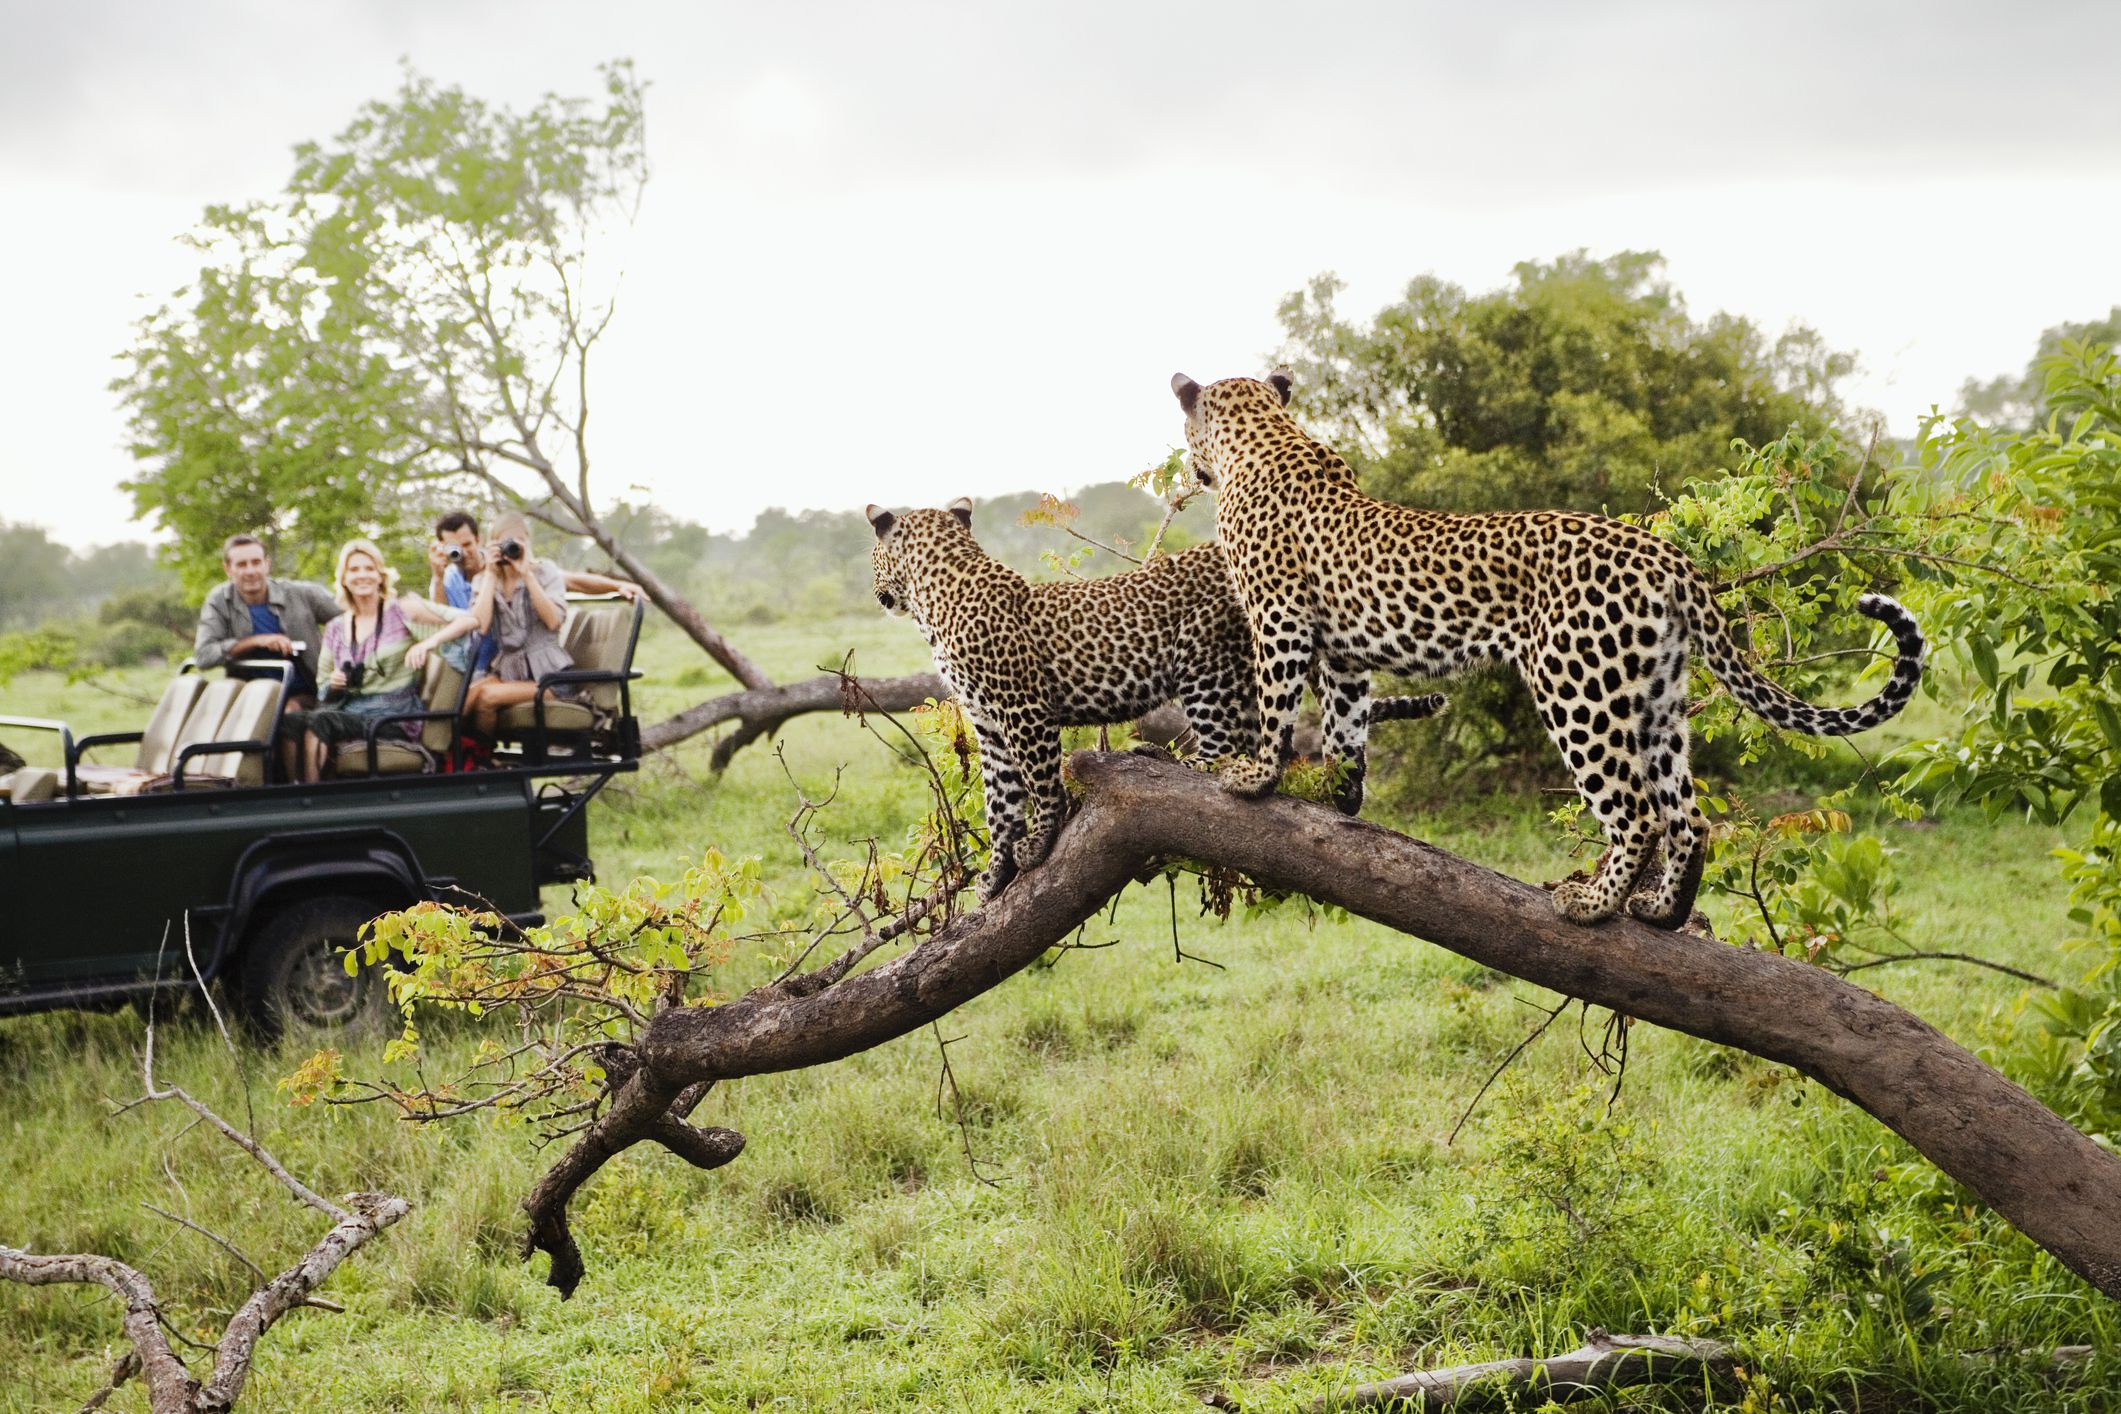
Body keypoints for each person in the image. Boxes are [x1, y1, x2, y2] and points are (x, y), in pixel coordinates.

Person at [289, 539, 478, 783]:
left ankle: (311, 801)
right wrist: (335, 684)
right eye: (354, 570)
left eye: (369, 568)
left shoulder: (402, 611)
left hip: (392, 718)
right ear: (344, 578)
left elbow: (469, 621)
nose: (362, 575)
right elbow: (324, 689)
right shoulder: (336, 628)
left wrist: (427, 643)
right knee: (290, 722)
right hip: (351, 712)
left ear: (381, 575)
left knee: (321, 721)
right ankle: (294, 793)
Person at [461, 514, 583, 744]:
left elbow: (554, 621)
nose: (511, 548)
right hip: (510, 673)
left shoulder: (545, 571)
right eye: (505, 542)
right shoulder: (485, 579)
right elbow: (481, 626)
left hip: (551, 678)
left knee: (487, 696)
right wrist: (489, 574)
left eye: (517, 542)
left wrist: (526, 574)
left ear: (527, 543)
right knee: (466, 696)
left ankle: (482, 760)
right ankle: (459, 761)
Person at [193, 534, 340, 704]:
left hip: (307, 693)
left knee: (285, 713)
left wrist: (335, 653)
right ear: (228, 569)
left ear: (267, 564)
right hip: (249, 698)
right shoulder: (219, 600)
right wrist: (257, 641)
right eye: (241, 564)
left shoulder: (301, 594)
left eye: (256, 562)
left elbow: (352, 616)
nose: (250, 571)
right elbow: (204, 656)